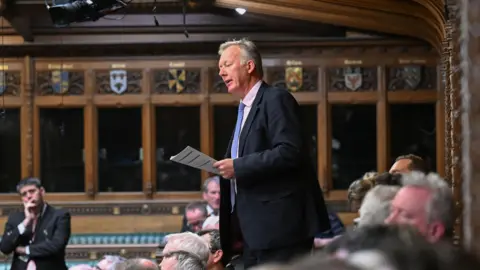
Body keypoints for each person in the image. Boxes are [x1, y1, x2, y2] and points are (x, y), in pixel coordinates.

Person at [213, 38, 330, 268]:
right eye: (219, 68)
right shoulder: (243, 108)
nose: (221, 72)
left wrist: (238, 166)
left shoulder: (275, 99)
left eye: (226, 65)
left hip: (280, 228)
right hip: (253, 228)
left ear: (249, 66)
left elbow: (290, 151)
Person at [0, 177, 71, 270]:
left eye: (32, 191)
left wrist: (25, 250)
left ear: (42, 191)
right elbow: (5, 248)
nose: (29, 196)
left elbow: (56, 246)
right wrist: (26, 222)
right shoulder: (15, 218)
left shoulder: (60, 216)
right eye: (24, 194)